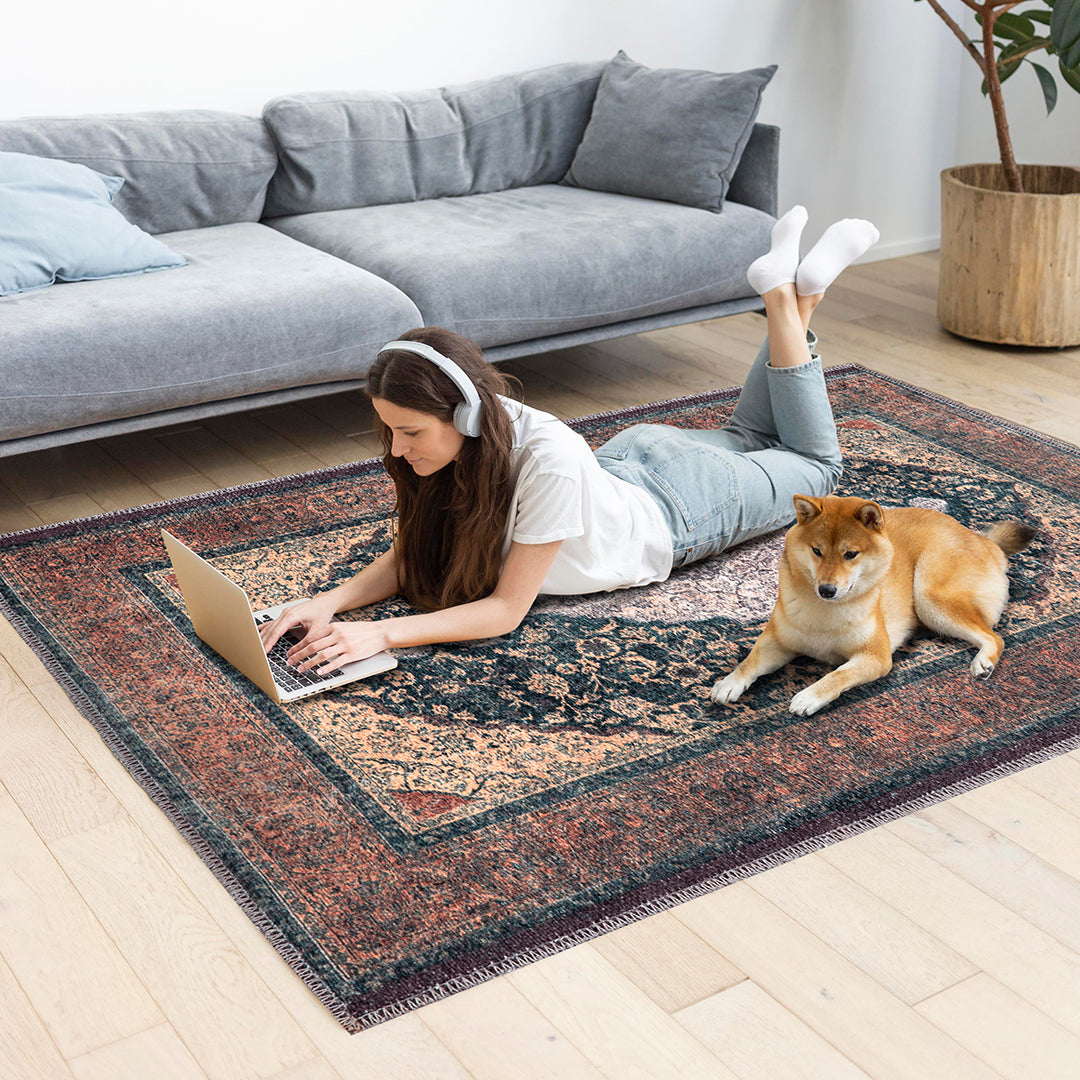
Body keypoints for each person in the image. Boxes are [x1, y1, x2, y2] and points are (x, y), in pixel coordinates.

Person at [259, 207, 880, 676]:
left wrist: (384, 636)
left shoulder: (544, 461)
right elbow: (416, 552)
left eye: (410, 432)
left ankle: (784, 296)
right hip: (627, 464)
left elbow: (505, 612)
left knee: (816, 468)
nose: (397, 451)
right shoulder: (474, 430)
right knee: (751, 434)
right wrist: (330, 602)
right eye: (391, 430)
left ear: (467, 414)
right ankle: (799, 295)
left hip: (682, 507)